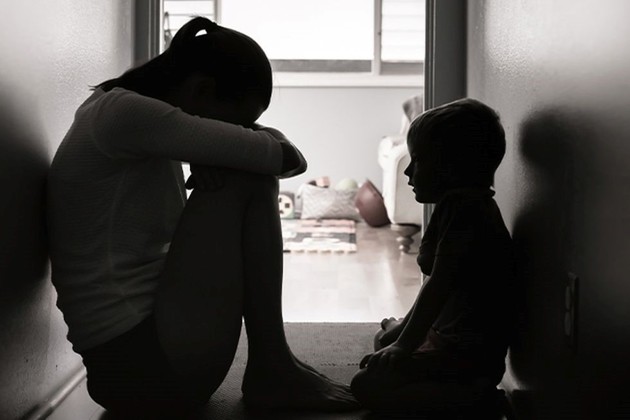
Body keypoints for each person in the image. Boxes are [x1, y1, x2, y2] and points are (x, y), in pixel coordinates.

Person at [47, 17, 357, 418]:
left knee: (244, 169)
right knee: (249, 177)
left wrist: (220, 150)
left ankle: (274, 363)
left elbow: (274, 156)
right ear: (201, 90)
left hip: (137, 364)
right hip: (142, 368)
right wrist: (237, 150)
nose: (239, 132)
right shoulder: (126, 113)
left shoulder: (120, 114)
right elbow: (286, 158)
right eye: (237, 124)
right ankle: (272, 365)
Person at [351, 98, 516, 417]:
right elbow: (437, 285)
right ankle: (458, 388)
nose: (408, 172)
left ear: (452, 166)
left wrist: (405, 343)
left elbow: (439, 284)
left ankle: (476, 399)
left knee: (366, 385)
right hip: (448, 336)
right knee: (383, 339)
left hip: (466, 354)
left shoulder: (466, 211)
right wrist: (403, 332)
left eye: (418, 161)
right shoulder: (459, 203)